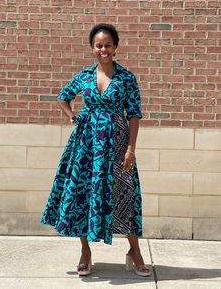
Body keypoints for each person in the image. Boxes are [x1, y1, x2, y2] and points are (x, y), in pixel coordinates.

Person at [40, 23, 151, 277]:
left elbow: (134, 115)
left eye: (108, 45)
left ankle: (134, 251)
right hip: (86, 144)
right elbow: (62, 96)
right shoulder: (84, 76)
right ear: (92, 48)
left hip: (117, 144)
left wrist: (131, 149)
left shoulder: (126, 78)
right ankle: (85, 251)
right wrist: (72, 117)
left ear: (115, 47)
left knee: (125, 194)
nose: (104, 49)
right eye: (99, 45)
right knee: (83, 192)